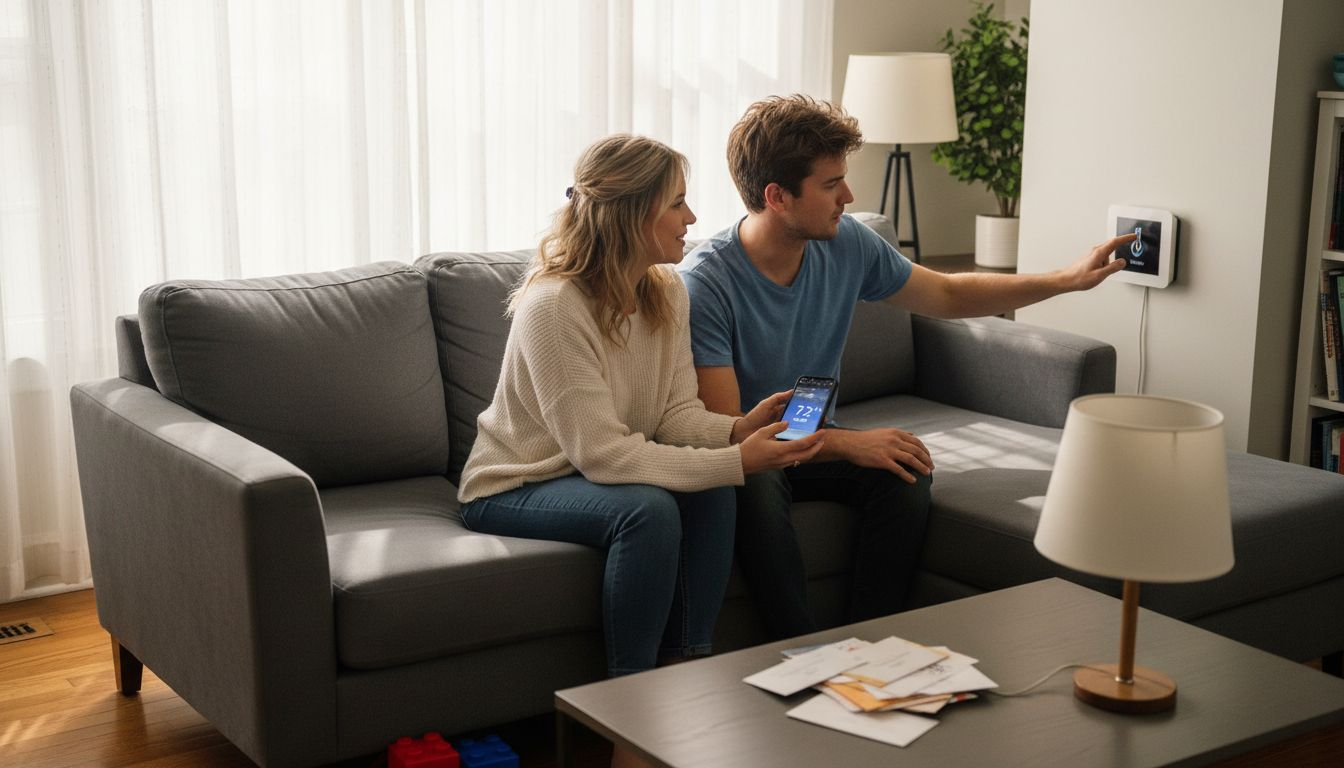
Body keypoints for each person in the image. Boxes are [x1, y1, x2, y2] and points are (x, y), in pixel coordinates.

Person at [679, 94, 1135, 640]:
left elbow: (944, 292)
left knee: (904, 467)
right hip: (751, 449)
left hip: (808, 435)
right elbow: (733, 430)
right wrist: (847, 443)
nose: (848, 197)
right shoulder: (707, 283)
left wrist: (1065, 279)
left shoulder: (847, 243)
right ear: (777, 196)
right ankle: (798, 651)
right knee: (757, 484)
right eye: (831, 185)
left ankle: (870, 646)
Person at [457, 134, 824, 681]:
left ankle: (684, 672)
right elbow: (604, 456)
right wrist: (739, 460)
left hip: (593, 470)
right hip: (518, 482)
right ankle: (631, 704)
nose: (692, 216)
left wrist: (737, 430)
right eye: (677, 202)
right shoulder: (554, 306)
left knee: (713, 493)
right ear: (633, 212)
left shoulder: (667, 291)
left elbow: (674, 416)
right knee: (647, 510)